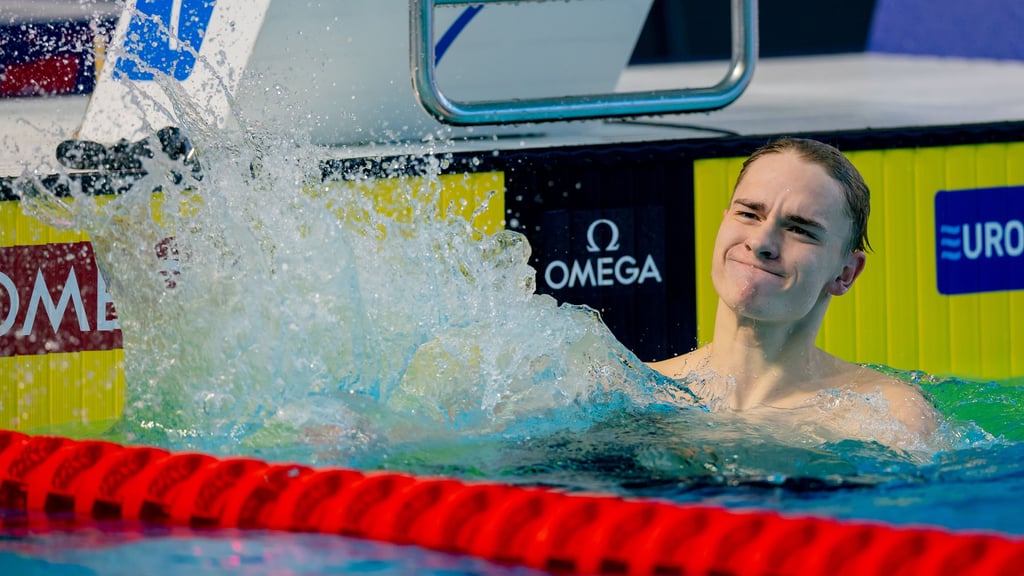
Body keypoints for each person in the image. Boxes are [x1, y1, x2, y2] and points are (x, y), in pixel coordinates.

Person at [648, 137, 941, 450]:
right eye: (748, 214)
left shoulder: (882, 417)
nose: (761, 243)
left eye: (800, 230)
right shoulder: (640, 392)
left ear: (846, 274)